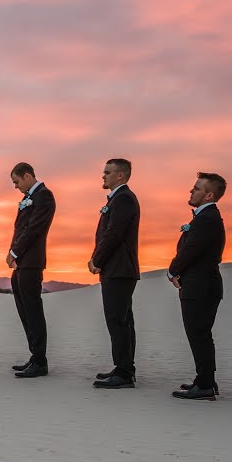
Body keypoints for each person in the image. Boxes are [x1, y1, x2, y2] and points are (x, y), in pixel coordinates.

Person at [169, 173, 228, 401]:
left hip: (201, 286)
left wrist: (172, 270)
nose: (191, 191)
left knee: (199, 334)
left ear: (209, 194)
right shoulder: (206, 218)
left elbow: (191, 250)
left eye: (196, 188)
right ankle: (206, 380)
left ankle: (204, 384)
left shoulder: (207, 218)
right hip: (202, 285)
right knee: (200, 334)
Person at [90, 159, 141, 389]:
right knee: (123, 320)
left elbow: (113, 234)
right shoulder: (119, 199)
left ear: (120, 176)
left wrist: (97, 260)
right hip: (117, 269)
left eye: (107, 172)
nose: (103, 176)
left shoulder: (124, 199)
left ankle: (123, 373)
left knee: (117, 321)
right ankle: (124, 367)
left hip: (119, 269)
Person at [5, 163, 56, 378]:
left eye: (17, 181)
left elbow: (35, 228)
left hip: (32, 260)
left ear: (27, 176)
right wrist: (13, 252)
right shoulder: (28, 197)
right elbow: (19, 228)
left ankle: (40, 361)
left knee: (33, 310)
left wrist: (15, 252)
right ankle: (34, 356)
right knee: (23, 309)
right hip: (21, 261)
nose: (16, 186)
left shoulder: (44, 196)